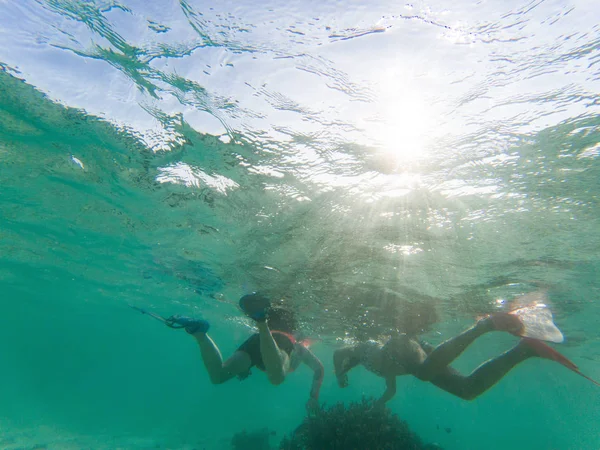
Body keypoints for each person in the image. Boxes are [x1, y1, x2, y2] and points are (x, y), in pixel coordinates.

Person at [333, 311, 599, 409]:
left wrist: (339, 374)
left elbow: (337, 353)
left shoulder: (358, 348)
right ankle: (524, 350)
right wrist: (377, 406)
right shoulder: (378, 367)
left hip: (403, 347)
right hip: (411, 356)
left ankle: (484, 325)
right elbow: (390, 389)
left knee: (425, 374)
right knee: (466, 390)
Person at [167, 293, 324, 412]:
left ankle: (199, 333)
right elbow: (319, 368)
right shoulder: (299, 346)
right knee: (277, 378)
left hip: (257, 341)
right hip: (277, 340)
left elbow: (317, 369)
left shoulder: (295, 346)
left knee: (218, 375)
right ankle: (261, 321)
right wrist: (314, 397)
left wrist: (246, 368)